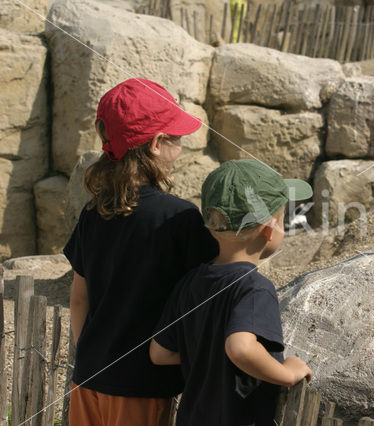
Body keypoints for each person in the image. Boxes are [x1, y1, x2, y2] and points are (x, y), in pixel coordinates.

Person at [64, 78, 219, 426]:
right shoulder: (179, 217)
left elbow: (78, 299)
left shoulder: (94, 211)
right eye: (176, 139)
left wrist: (90, 356)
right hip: (140, 384)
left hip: (88, 377)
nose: (180, 149)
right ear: (155, 144)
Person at [149, 159, 314, 425]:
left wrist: (207, 353)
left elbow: (160, 353)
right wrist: (286, 373)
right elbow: (240, 349)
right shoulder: (255, 287)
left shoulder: (191, 281)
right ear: (269, 230)